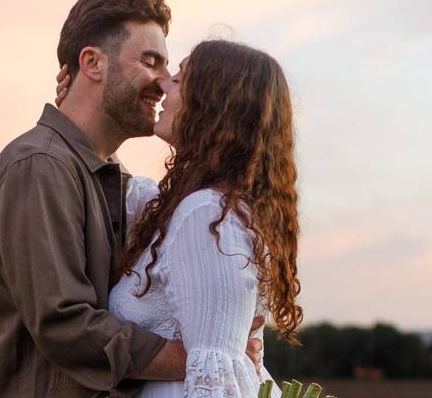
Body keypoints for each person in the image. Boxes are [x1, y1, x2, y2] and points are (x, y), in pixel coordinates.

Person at [0, 0, 262, 398]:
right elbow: (64, 323)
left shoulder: (109, 180)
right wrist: (205, 358)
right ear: (92, 63)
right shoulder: (39, 167)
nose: (163, 82)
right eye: (150, 62)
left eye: (168, 69)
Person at [58, 40, 302, 397]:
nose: (163, 85)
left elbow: (214, 383)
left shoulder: (207, 217)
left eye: (179, 79)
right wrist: (78, 116)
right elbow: (114, 183)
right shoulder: (191, 210)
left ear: (212, 106)